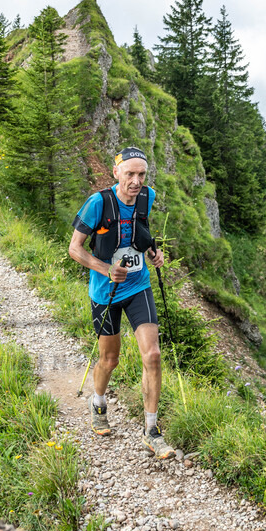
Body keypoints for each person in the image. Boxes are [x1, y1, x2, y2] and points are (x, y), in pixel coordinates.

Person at [68, 146, 173, 459]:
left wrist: (153, 252)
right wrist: (105, 269)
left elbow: (140, 231)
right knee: (110, 360)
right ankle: (98, 402)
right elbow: (75, 249)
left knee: (153, 355)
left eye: (141, 174)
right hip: (106, 292)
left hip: (138, 285)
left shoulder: (147, 197)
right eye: (130, 174)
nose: (136, 181)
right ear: (116, 173)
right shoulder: (98, 203)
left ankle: (151, 430)